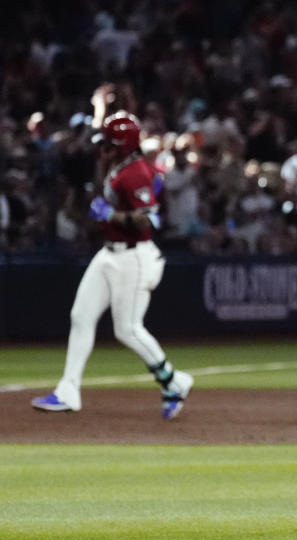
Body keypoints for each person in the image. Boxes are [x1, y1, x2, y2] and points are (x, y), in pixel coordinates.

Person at [31, 111, 194, 419]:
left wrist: (111, 216)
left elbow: (148, 219)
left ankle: (173, 380)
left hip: (133, 256)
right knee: (80, 315)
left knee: (128, 329)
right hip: (109, 253)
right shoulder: (120, 167)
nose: (102, 147)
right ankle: (68, 391)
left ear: (124, 144)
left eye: (109, 142)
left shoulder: (136, 173)